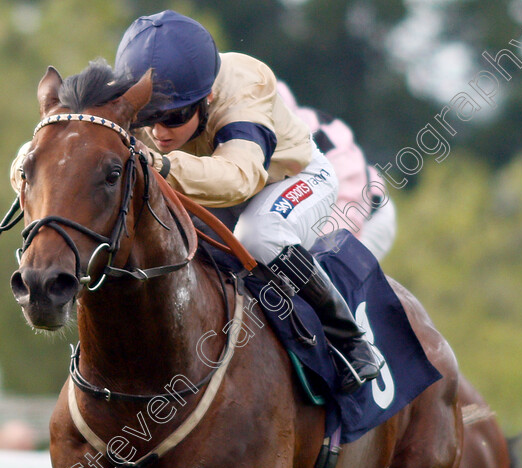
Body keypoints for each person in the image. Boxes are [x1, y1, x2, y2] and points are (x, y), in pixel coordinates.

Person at [111, 10, 383, 392]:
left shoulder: (244, 90)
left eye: (172, 117)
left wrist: (162, 164)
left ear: (206, 99)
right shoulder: (133, 92)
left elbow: (240, 179)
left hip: (292, 178)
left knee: (260, 234)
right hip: (215, 185)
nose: (158, 131)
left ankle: (350, 341)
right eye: (147, 117)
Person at [276, 82, 397, 261]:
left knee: (328, 269)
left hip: (367, 214)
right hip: (313, 215)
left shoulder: (327, 141)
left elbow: (344, 215)